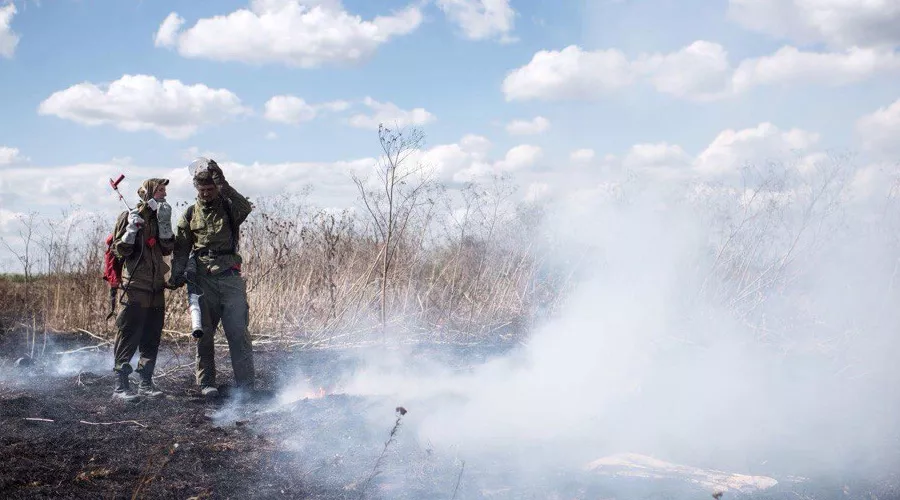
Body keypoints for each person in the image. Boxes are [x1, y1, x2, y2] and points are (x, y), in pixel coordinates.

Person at [169, 158, 255, 398]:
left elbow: (245, 207)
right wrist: (177, 275)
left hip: (230, 277)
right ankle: (207, 383)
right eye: (202, 190)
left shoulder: (229, 207)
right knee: (204, 334)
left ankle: (246, 384)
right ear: (197, 189)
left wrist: (221, 180)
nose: (206, 193)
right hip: (203, 279)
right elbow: (182, 248)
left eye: (210, 189)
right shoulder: (189, 214)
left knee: (238, 332)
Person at [111, 178, 174, 401]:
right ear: (147, 193)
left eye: (165, 190)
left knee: (151, 335)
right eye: (159, 190)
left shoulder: (160, 218)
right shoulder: (128, 216)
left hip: (156, 286)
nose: (163, 193)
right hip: (135, 285)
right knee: (128, 334)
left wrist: (165, 225)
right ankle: (121, 386)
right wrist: (130, 230)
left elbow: (167, 249)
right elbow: (119, 252)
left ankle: (145, 383)